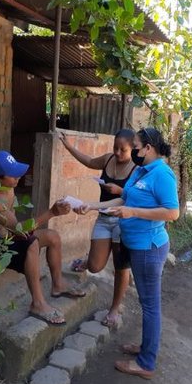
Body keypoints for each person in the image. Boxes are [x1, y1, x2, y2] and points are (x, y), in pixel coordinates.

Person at [75, 128, 179, 379]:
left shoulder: (162, 174)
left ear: (149, 148)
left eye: (136, 146)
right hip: (136, 244)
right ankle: (145, 348)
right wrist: (91, 206)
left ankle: (146, 363)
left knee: (150, 306)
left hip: (148, 247)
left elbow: (172, 212)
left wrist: (135, 213)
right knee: (148, 303)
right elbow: (123, 201)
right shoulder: (142, 171)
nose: (132, 150)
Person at [0, 150, 85, 326]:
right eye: (12, 175)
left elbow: (17, 231)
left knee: (53, 237)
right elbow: (18, 229)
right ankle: (37, 303)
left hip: (9, 237)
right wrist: (52, 212)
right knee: (32, 243)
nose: (17, 178)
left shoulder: (8, 189)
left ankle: (58, 285)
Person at [58, 129, 136, 328]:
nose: (118, 153)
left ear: (133, 149)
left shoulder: (137, 169)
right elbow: (90, 162)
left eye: (123, 150)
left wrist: (121, 190)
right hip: (104, 219)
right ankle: (87, 261)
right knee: (94, 266)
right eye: (115, 147)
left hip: (123, 223)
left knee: (120, 267)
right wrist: (68, 146)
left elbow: (134, 199)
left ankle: (115, 308)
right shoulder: (109, 159)